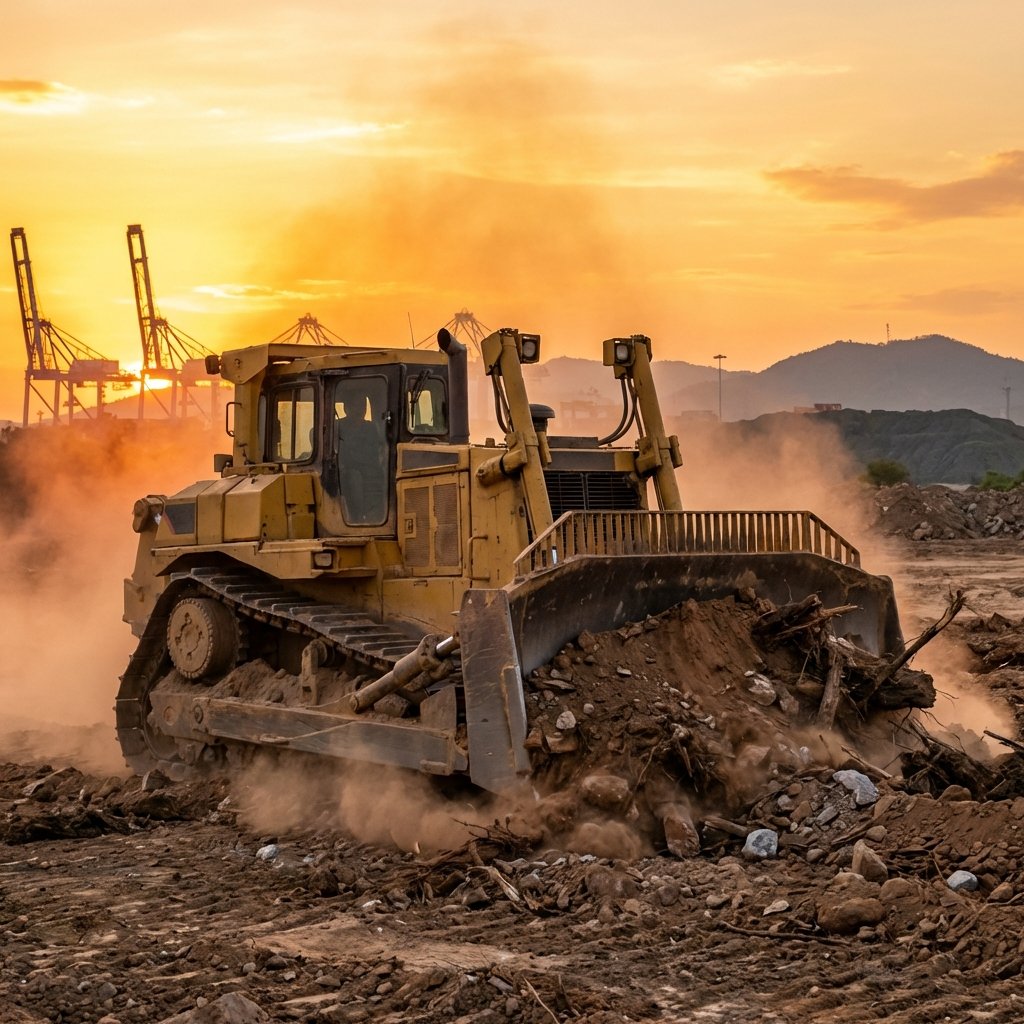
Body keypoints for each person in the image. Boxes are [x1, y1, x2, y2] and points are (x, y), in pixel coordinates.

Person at [335, 387, 387, 523]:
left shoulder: (372, 428)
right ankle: (356, 519)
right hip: (345, 472)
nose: (360, 409)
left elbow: (378, 451)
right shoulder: (337, 427)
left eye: (363, 405)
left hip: (371, 469)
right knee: (354, 478)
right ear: (346, 408)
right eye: (355, 405)